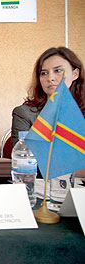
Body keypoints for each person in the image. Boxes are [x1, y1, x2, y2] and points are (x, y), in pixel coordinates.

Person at [11, 46, 85, 177]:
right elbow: (26, 161)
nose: (50, 78)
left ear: (75, 74)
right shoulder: (25, 113)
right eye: (44, 73)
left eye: (58, 71)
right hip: (43, 187)